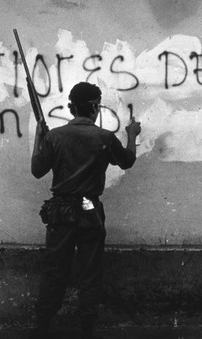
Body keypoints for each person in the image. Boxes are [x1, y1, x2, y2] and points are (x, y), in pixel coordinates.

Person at [30, 82, 141, 339]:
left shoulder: (55, 137)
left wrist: (39, 138)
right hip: (88, 206)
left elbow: (37, 170)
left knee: (55, 270)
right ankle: (86, 329)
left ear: (71, 108)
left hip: (61, 209)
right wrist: (132, 135)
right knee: (90, 272)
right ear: (94, 108)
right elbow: (127, 161)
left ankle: (42, 326)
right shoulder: (104, 137)